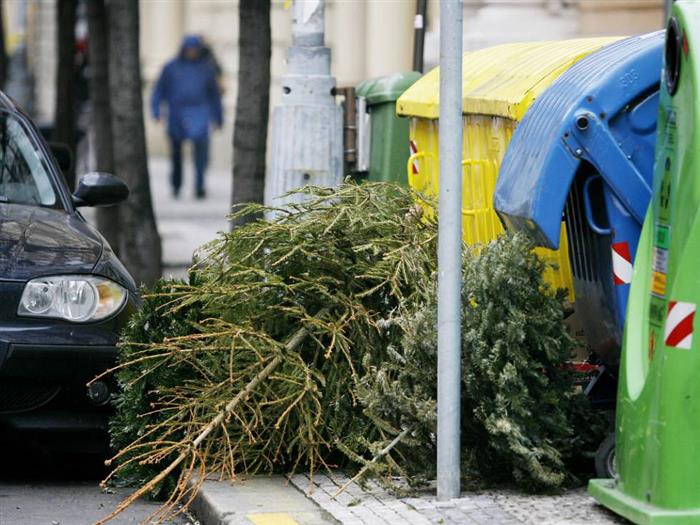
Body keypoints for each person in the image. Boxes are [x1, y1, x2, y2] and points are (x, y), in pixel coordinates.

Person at [151, 35, 223, 199]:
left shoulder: (206, 69)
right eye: (188, 49)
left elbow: (214, 96)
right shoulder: (171, 67)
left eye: (194, 50)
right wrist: (156, 111)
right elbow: (159, 91)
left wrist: (218, 118)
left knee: (201, 151)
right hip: (176, 112)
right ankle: (176, 185)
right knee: (176, 152)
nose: (191, 53)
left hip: (200, 111)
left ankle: (199, 186)